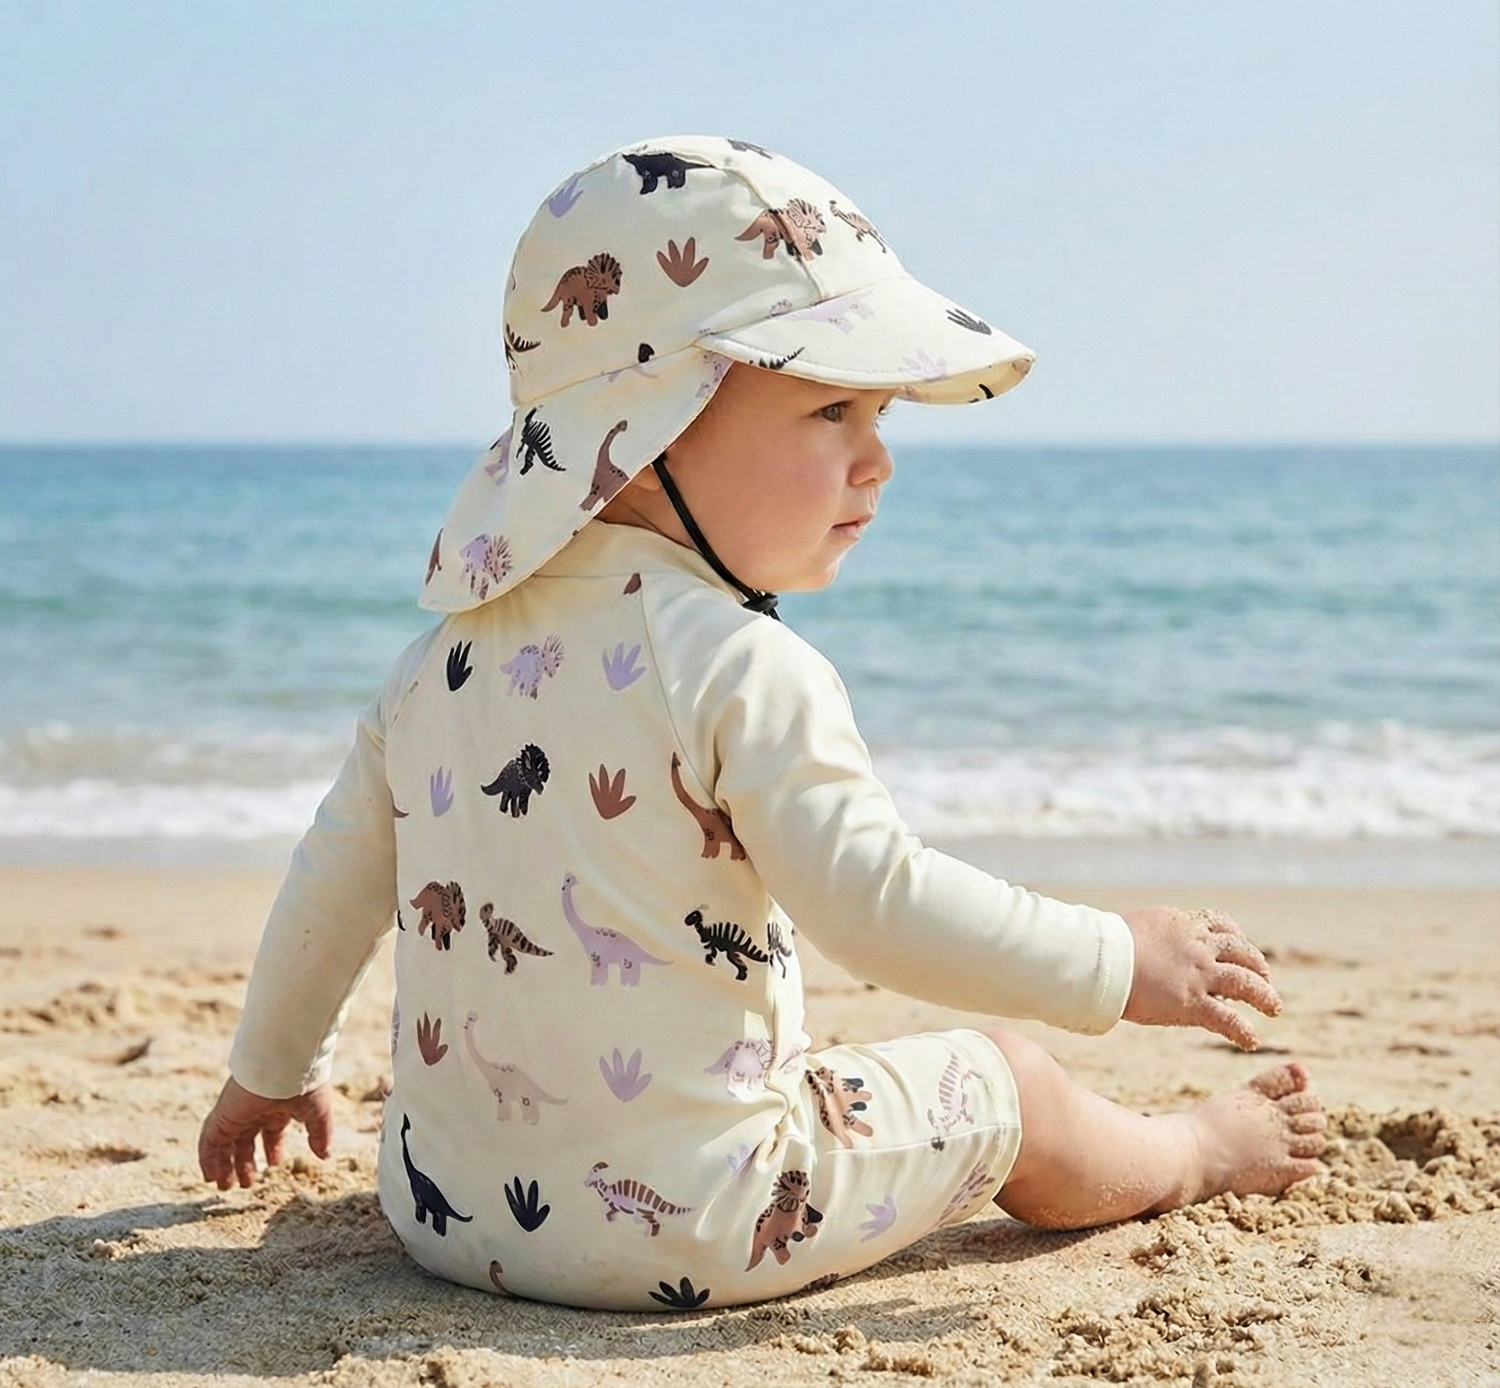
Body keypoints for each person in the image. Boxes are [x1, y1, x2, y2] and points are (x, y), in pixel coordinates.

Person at [199, 136, 1326, 1311]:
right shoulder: (740, 663)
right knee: (1016, 1082)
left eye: (879, 414)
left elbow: (331, 885)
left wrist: (271, 1073)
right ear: (648, 431)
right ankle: (1195, 1151)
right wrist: (1114, 957)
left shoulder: (433, 666)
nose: (878, 461)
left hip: (443, 1211)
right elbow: (877, 904)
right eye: (831, 408)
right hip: (700, 1224)